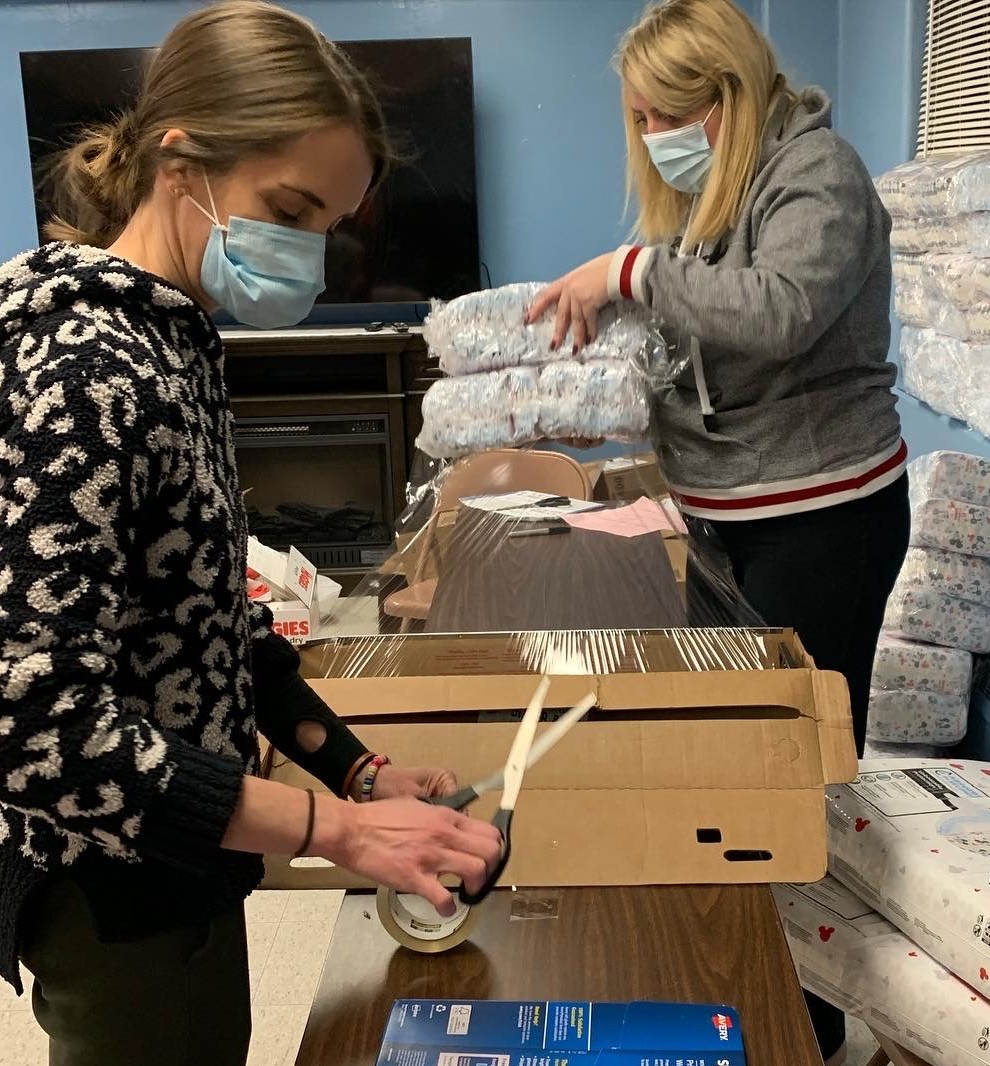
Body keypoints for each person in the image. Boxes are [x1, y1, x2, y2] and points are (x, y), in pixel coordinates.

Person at [0, 3, 501, 1064]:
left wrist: (354, 770)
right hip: (112, 881)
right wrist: (338, 832)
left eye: (329, 226)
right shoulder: (83, 368)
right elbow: (36, 721)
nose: (309, 255)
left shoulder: (174, 341)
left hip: (195, 833)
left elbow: (206, 619)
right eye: (289, 208)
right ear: (179, 159)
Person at [527, 1, 909, 1062]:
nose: (652, 135)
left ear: (727, 101)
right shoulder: (718, 196)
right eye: (639, 117)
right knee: (721, 760)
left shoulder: (818, 174)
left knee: (794, 771)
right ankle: (742, 977)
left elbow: (779, 309)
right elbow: (698, 343)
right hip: (725, 516)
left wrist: (634, 273)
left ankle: (814, 1021)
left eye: (666, 113)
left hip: (822, 518)